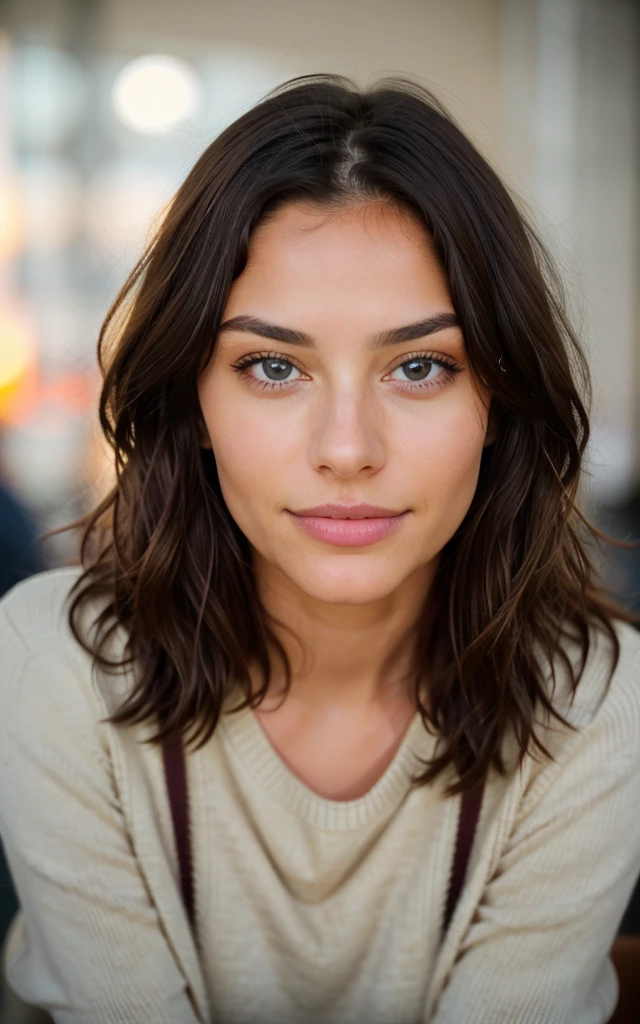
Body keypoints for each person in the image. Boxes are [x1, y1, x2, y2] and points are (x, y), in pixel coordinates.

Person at [0, 73, 639, 1024]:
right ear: (195, 403)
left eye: (420, 366)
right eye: (272, 366)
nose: (348, 449)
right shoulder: (52, 666)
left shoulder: (597, 701)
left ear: (498, 400)